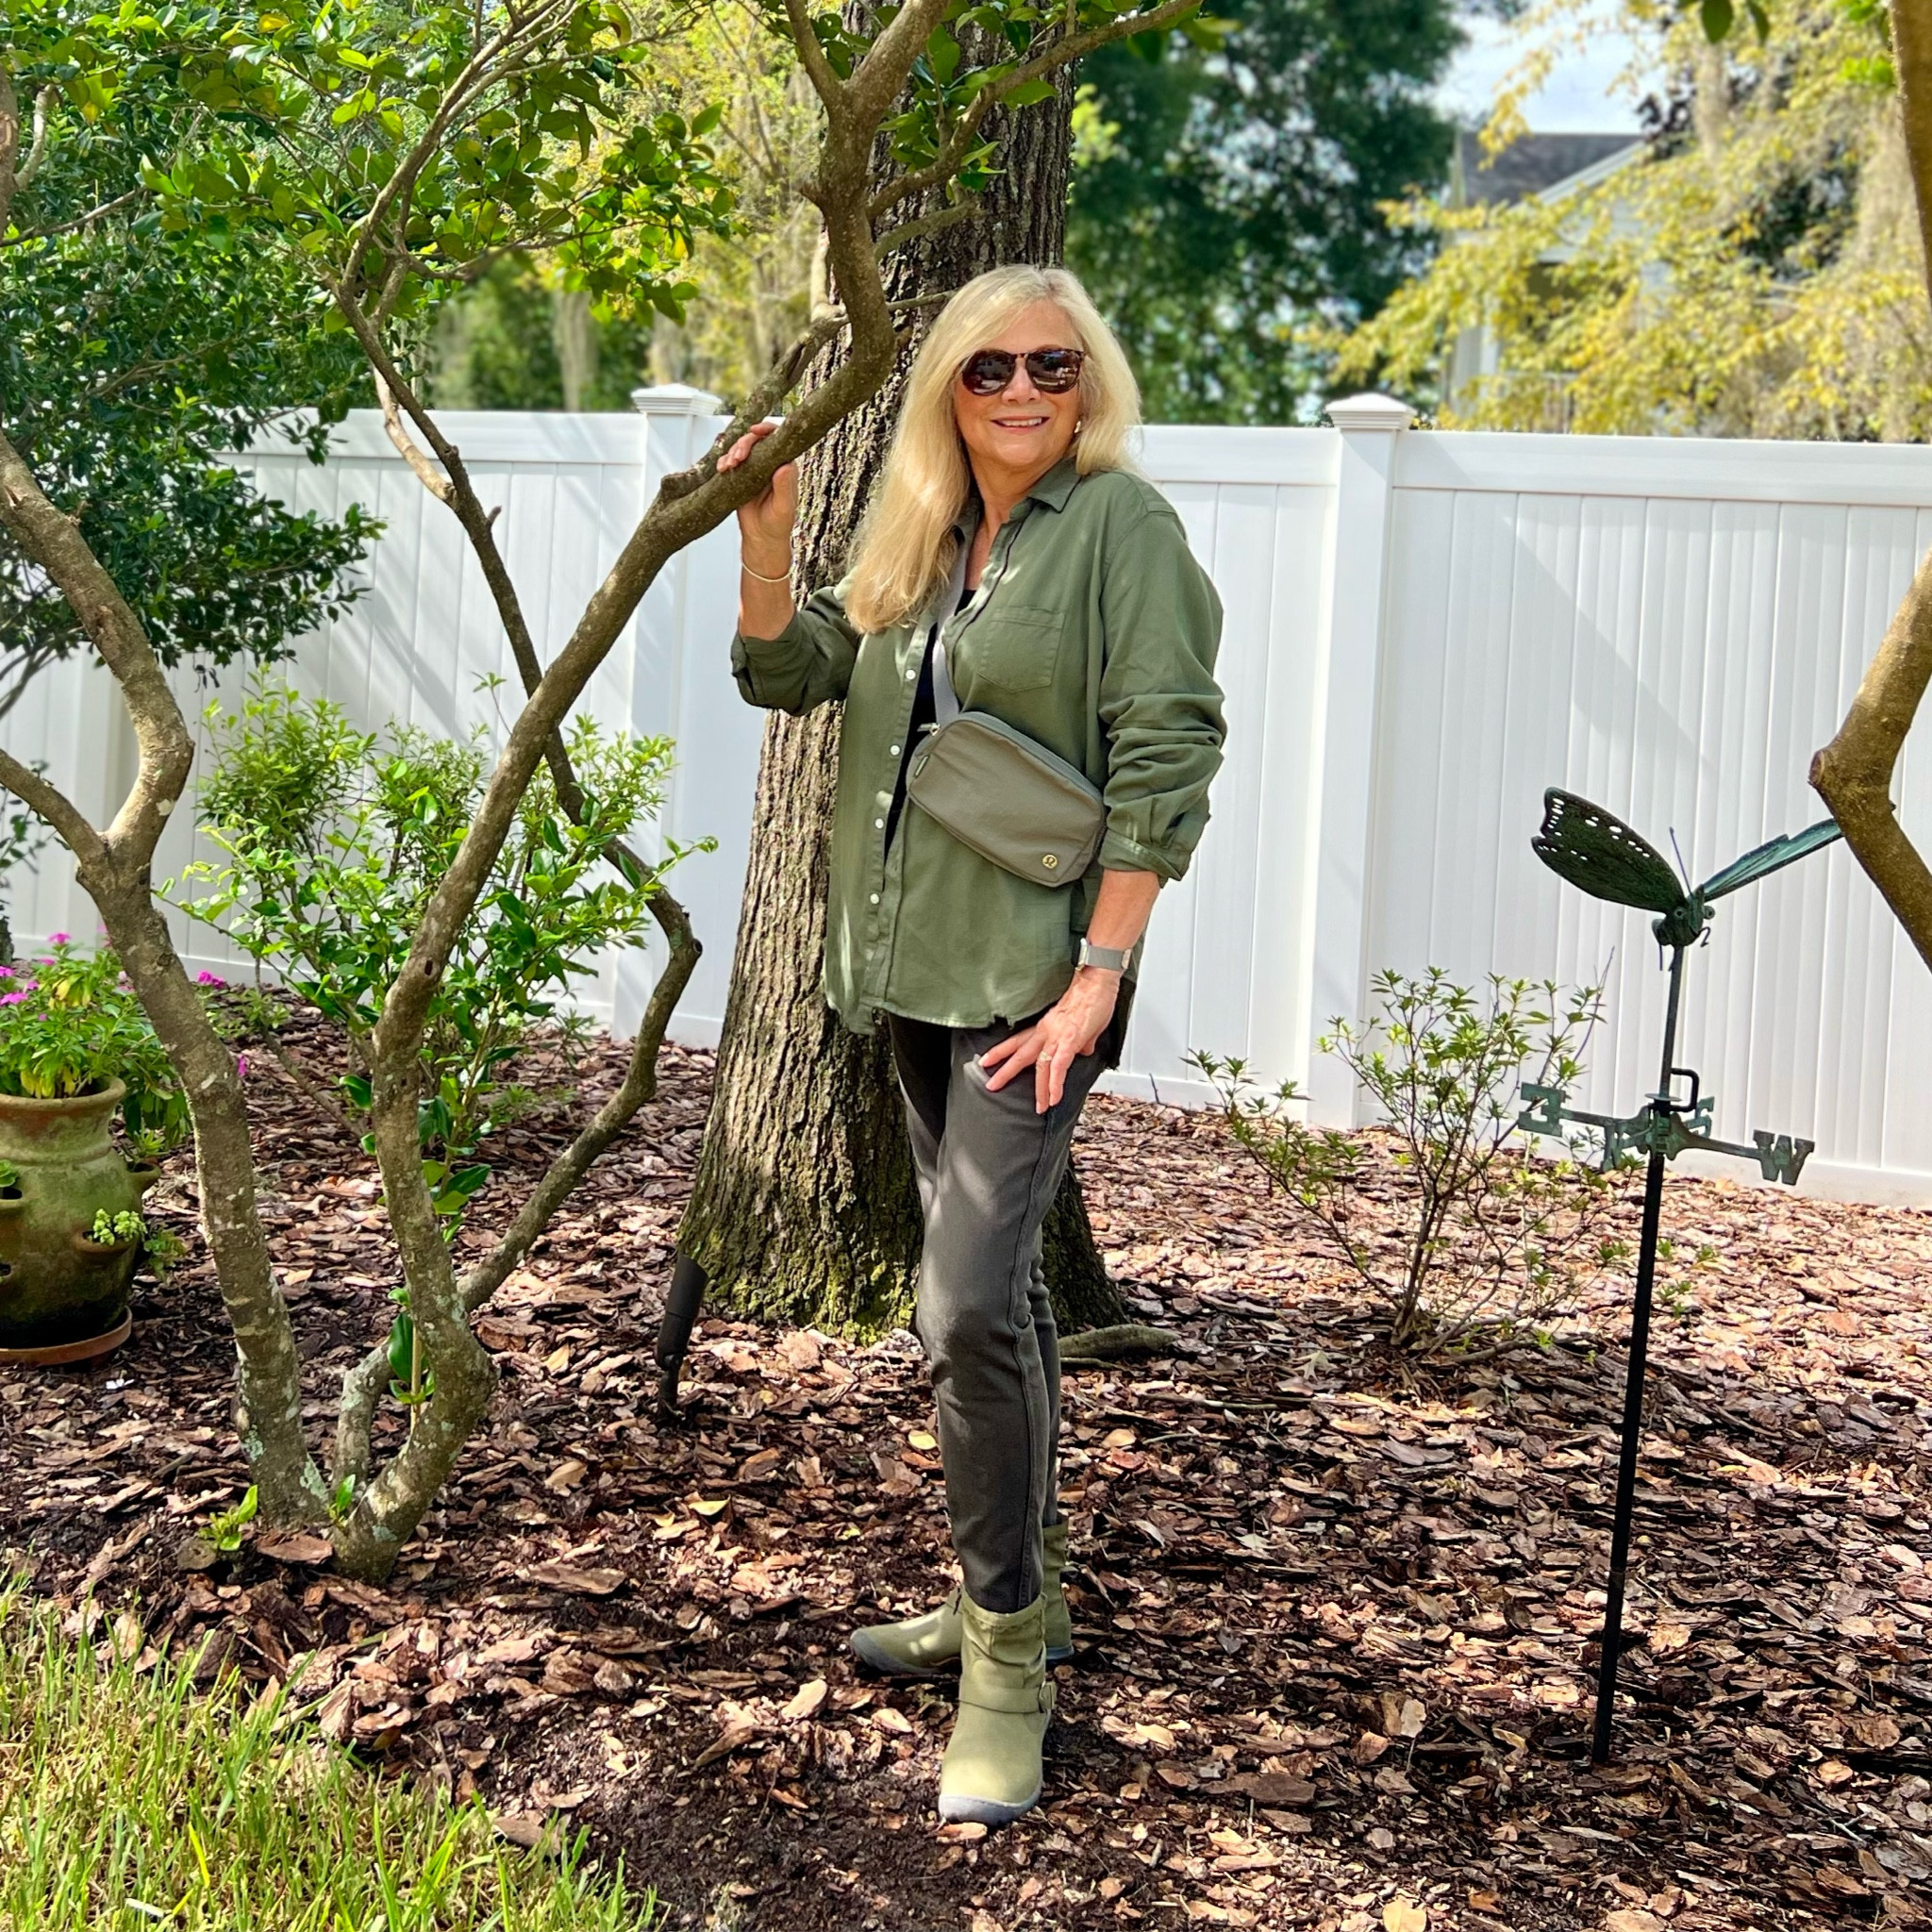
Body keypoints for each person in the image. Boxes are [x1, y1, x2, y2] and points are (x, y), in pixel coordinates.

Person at [722, 263, 1225, 1825]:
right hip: (910, 976)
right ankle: (1018, 1587)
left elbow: (1166, 754)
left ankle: (1006, 1661)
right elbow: (789, 672)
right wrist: (761, 529)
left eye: (1053, 368)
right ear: (948, 380)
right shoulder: (925, 529)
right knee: (992, 1305)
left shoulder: (1121, 531)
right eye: (991, 367)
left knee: (957, 1308)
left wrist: (1096, 983)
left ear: (1091, 382)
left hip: (1030, 986)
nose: (1021, 392)